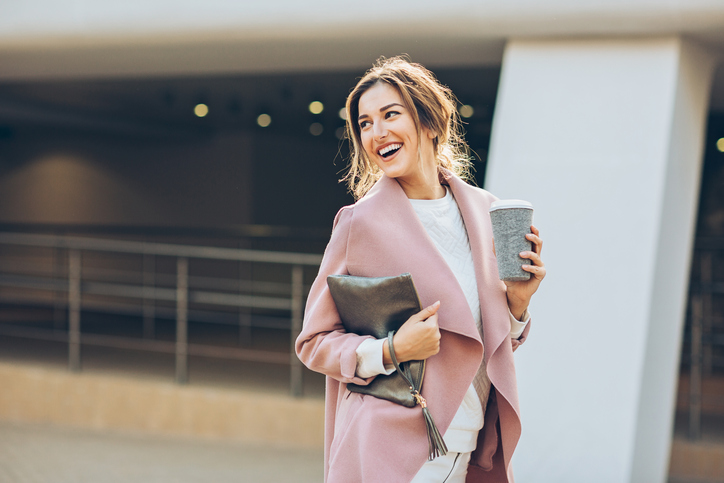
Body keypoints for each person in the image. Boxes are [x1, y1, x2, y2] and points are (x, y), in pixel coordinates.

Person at [295, 56, 545, 483]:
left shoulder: (484, 211)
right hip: (392, 449)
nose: (377, 132)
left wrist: (518, 308)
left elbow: (481, 343)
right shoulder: (360, 224)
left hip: (468, 444)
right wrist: (392, 349)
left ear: (431, 122)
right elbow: (314, 342)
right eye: (365, 123)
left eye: (390, 115)